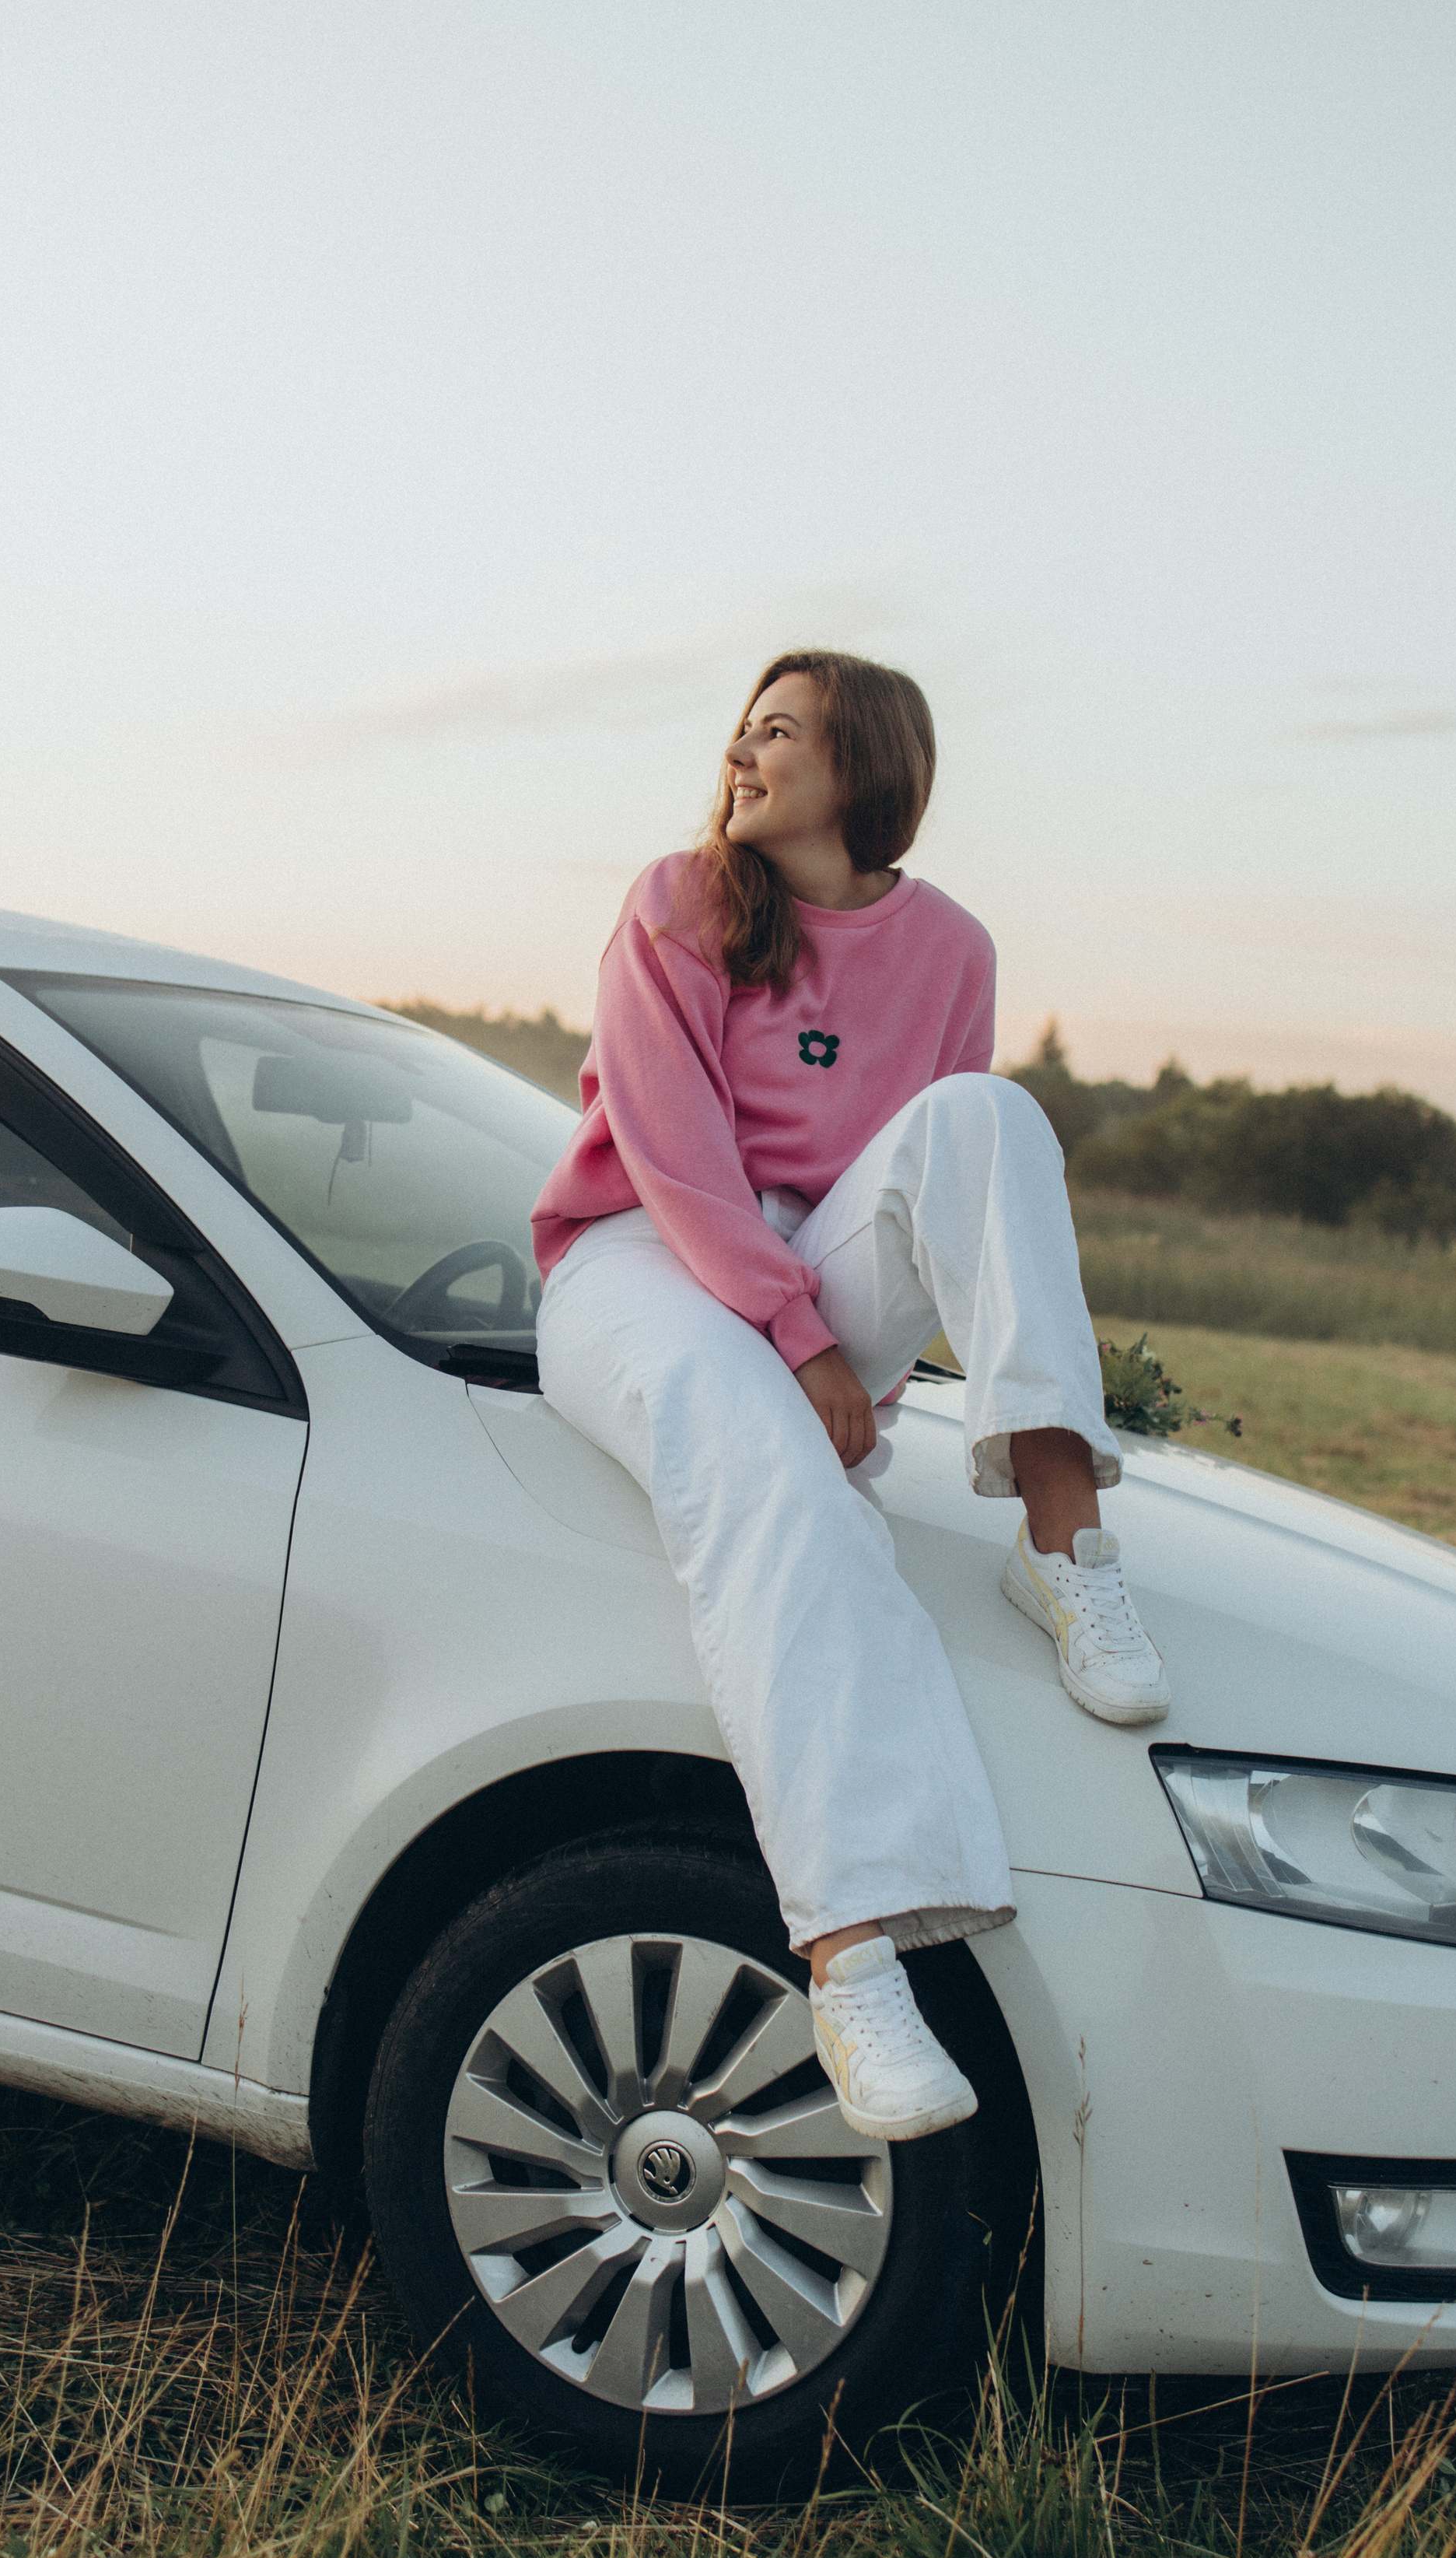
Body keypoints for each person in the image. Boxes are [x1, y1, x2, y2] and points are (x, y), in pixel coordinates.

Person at [531, 650, 1170, 2142]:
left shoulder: (950, 950)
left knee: (989, 1119)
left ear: (863, 765)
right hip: (640, 1261)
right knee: (771, 1474)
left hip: (810, 1270)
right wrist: (805, 1351)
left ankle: (1065, 1545)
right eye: (742, 731)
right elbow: (677, 1156)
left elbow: (936, 1201)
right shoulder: (679, 902)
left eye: (778, 733)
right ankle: (851, 1946)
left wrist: (833, 1333)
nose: (741, 757)